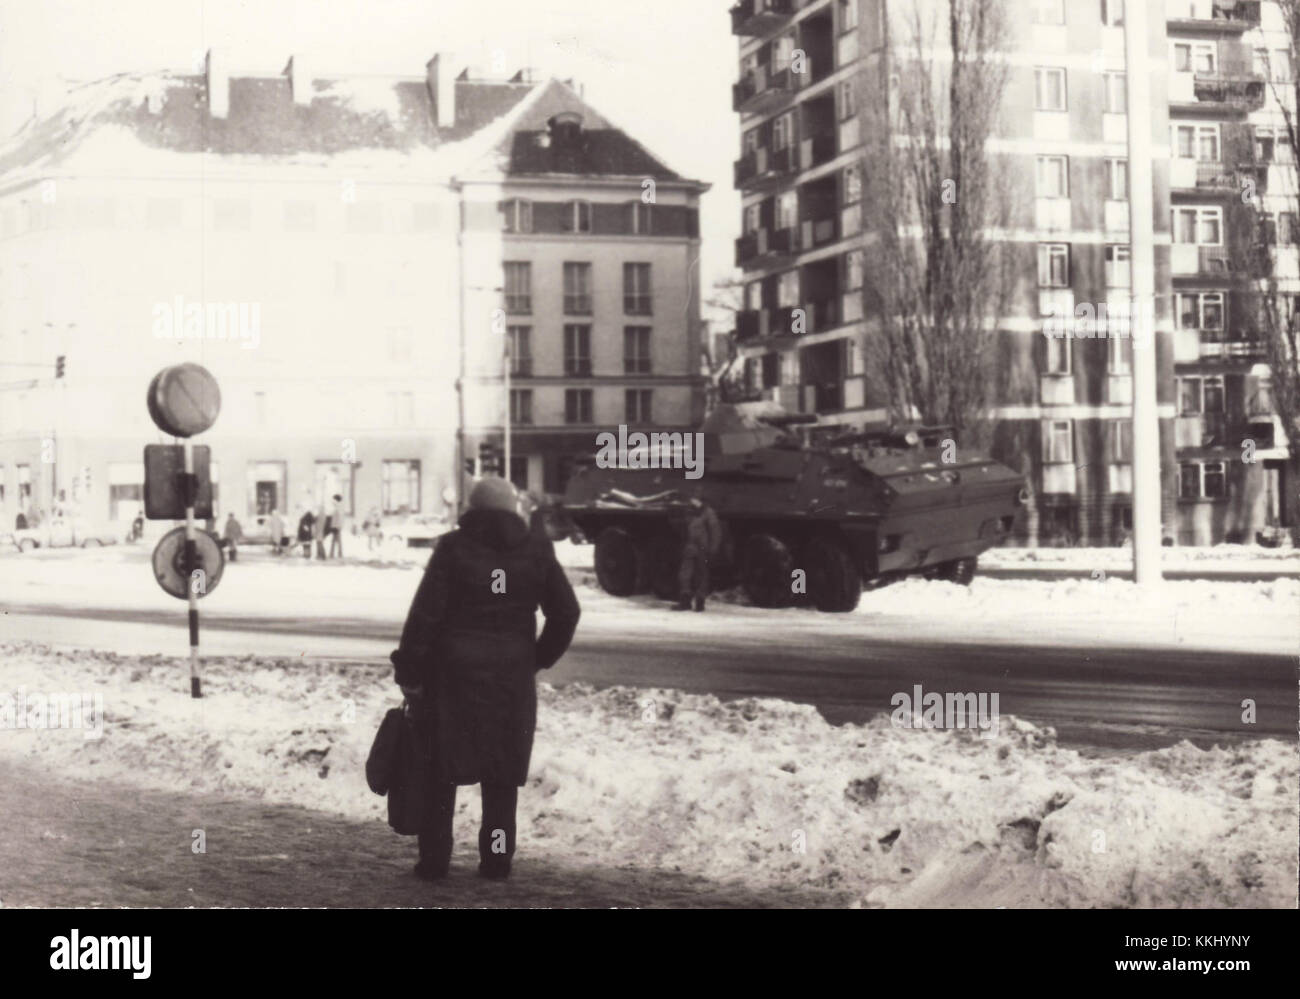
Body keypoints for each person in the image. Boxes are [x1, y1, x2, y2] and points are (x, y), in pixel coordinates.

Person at [390, 477, 580, 882]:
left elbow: (425, 616)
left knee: (442, 773)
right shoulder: (536, 548)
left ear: (472, 509)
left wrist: (409, 670)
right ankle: (496, 860)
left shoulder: (453, 548)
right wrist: (536, 658)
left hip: (453, 679)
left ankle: (435, 861)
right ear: (514, 508)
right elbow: (566, 613)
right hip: (511, 681)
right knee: (500, 777)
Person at [674, 494, 722, 612]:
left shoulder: (708, 513)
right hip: (690, 547)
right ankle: (685, 601)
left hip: (703, 548)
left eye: (695, 500)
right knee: (685, 574)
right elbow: (684, 529)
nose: (693, 502)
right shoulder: (690, 512)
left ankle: (700, 602)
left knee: (702, 575)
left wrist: (713, 549)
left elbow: (715, 533)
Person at [328, 494, 344, 559]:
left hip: (336, 527)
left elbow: (339, 518)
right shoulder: (337, 507)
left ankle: (335, 554)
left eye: (333, 499)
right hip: (336, 526)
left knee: (336, 541)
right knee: (335, 541)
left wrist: (337, 526)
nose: (332, 501)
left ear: (336, 500)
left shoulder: (338, 507)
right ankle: (336, 554)